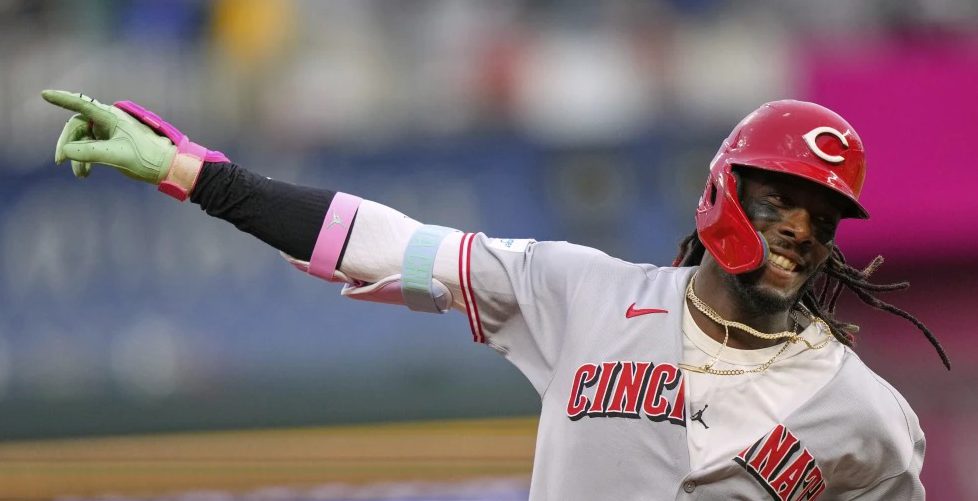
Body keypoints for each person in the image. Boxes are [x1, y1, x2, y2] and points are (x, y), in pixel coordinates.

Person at [42, 90, 948, 500]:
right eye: (781, 198)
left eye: (824, 214)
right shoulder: (581, 292)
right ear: (724, 190)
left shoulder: (866, 414)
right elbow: (382, 243)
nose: (801, 228)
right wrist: (197, 174)